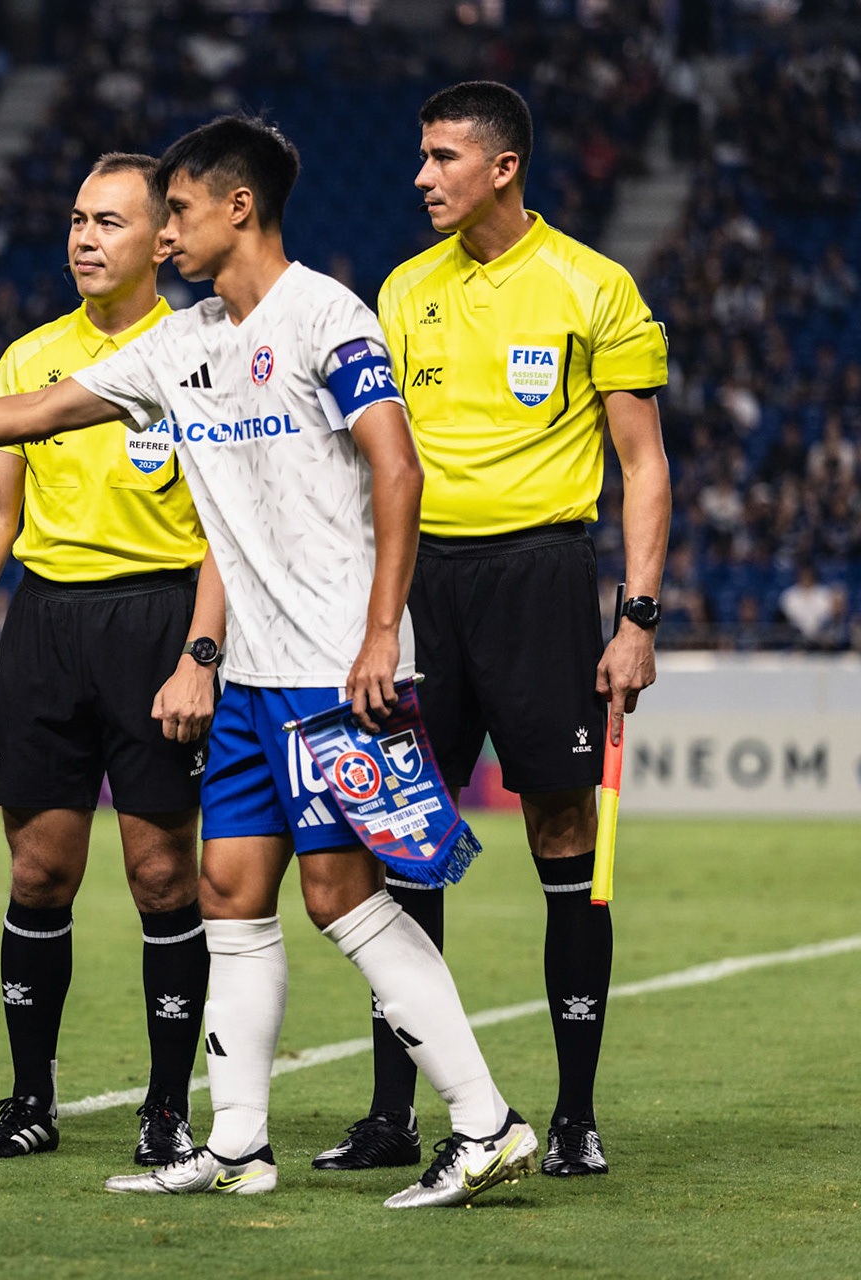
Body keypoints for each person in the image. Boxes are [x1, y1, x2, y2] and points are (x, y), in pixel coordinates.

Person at [0, 115, 538, 1208]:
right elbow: (40, 407)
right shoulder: (185, 341)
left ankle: (485, 1121)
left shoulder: (324, 316)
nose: (165, 237)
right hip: (249, 672)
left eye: (182, 213)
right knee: (228, 893)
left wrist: (383, 631)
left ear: (237, 206)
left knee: (341, 896)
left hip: (329, 666)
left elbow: (398, 470)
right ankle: (239, 1142)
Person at [315, 81, 670, 1181]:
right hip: (422, 584)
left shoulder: (592, 286)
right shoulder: (401, 288)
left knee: (564, 837)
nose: (421, 177)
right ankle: (392, 1115)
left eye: (441, 157)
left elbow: (644, 464)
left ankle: (574, 1113)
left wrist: (637, 617)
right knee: (402, 835)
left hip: (542, 576)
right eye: (421, 158)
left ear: (501, 167)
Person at [0, 153, 218, 1166]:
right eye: (78, 218)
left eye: (111, 221)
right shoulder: (27, 356)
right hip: (47, 625)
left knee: (159, 873)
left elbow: (227, 528)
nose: (86, 238)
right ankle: (29, 1098)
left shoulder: (199, 352)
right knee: (40, 868)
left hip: (159, 618)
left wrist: (200, 652)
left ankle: (168, 1104)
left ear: (161, 241)